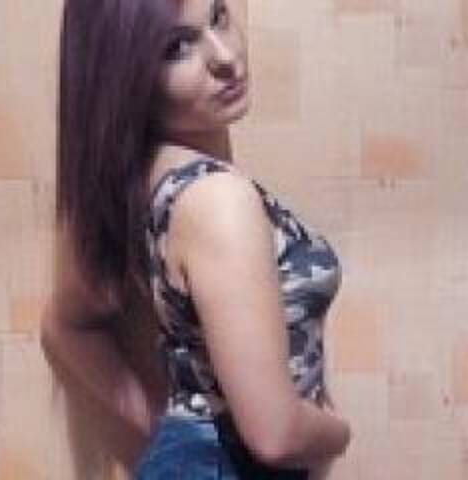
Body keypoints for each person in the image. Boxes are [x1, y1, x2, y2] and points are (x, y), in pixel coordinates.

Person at [39, 0, 352, 478]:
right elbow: (276, 434)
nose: (224, 57)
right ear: (126, 73)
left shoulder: (143, 182)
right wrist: (338, 431)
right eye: (177, 48)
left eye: (219, 17)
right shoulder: (217, 200)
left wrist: (169, 444)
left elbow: (67, 325)